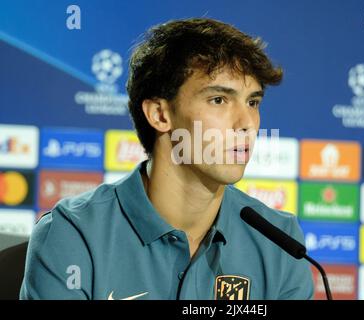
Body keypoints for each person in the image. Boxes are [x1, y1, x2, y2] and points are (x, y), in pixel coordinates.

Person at [20, 18, 314, 300]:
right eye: (219, 100)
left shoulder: (281, 243)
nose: (246, 123)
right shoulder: (74, 234)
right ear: (160, 115)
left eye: (253, 102)